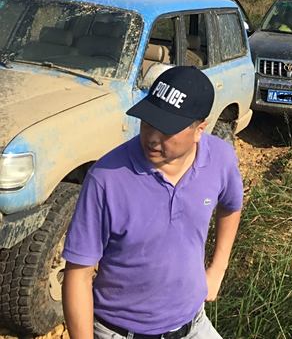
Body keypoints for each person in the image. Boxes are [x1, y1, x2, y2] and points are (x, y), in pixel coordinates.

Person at [62, 66, 243, 339]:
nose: (152, 137)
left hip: (192, 325)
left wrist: (218, 267)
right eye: (148, 122)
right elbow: (78, 274)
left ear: (199, 130)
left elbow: (231, 205)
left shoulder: (220, 158)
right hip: (121, 332)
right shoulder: (107, 178)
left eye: (166, 129)